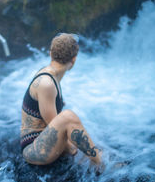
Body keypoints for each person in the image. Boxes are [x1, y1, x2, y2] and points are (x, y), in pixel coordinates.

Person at [20, 33, 103, 166]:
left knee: (91, 144)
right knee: (68, 116)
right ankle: (101, 165)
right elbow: (54, 127)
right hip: (33, 150)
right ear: (74, 59)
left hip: (43, 142)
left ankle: (99, 158)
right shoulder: (46, 83)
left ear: (50, 53)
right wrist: (75, 152)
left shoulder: (50, 74)